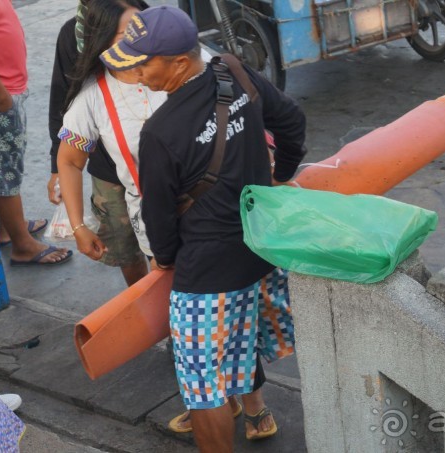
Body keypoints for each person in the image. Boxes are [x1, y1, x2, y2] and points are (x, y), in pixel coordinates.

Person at [101, 6, 305, 452]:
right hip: (261, 251)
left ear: (178, 63)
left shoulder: (160, 132)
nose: (134, 73)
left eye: (142, 63)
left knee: (203, 388)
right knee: (240, 345)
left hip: (208, 274)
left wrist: (169, 260)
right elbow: (292, 123)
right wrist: (278, 178)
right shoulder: (235, 72)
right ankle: (256, 413)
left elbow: (159, 222)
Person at [0, 0, 72, 266]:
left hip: (5, 89)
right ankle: (23, 245)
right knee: (4, 166)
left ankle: (10, 227)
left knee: (7, 162)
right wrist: (1, 97)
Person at [48, 0, 148, 286]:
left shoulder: (162, 67)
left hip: (165, 180)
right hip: (108, 166)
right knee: (126, 250)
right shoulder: (91, 98)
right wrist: (77, 224)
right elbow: (61, 100)